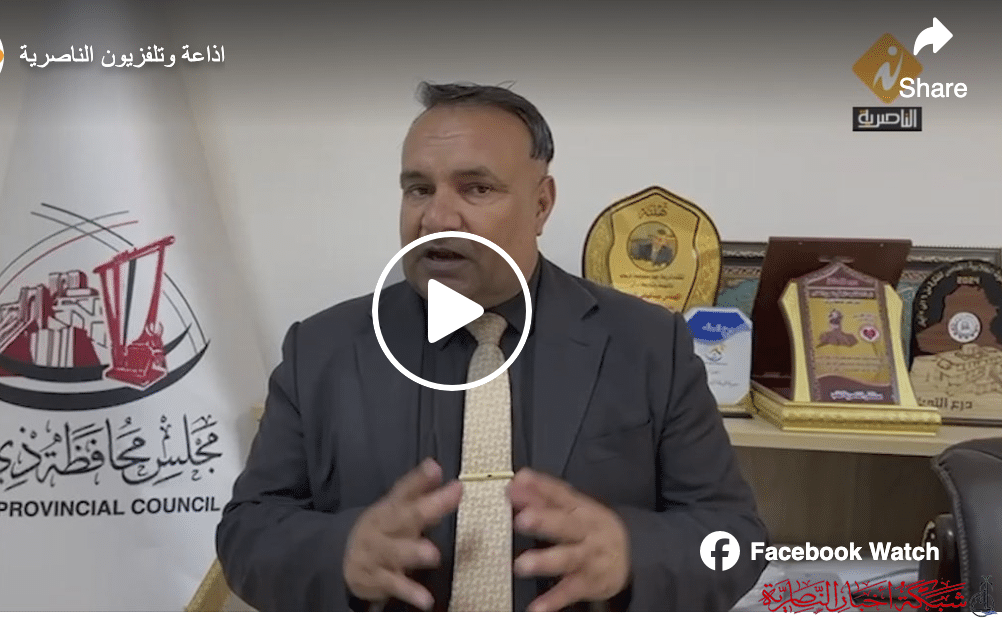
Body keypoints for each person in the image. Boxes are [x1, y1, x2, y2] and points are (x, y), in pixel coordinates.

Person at [216, 82, 768, 611]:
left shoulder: (649, 344)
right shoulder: (321, 350)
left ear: (541, 204)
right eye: (418, 189)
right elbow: (246, 533)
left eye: (476, 189)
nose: (436, 218)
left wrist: (634, 553)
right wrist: (339, 553)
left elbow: (735, 538)